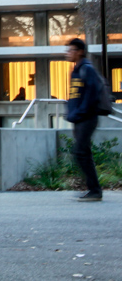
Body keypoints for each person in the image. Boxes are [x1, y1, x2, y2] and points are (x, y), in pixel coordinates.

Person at [65, 38, 103, 201]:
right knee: (83, 153)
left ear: (80, 51)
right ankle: (93, 190)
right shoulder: (76, 70)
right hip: (79, 119)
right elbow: (75, 96)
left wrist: (79, 113)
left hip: (86, 118)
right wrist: (72, 113)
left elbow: (91, 95)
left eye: (71, 50)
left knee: (80, 152)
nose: (68, 53)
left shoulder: (87, 69)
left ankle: (94, 190)